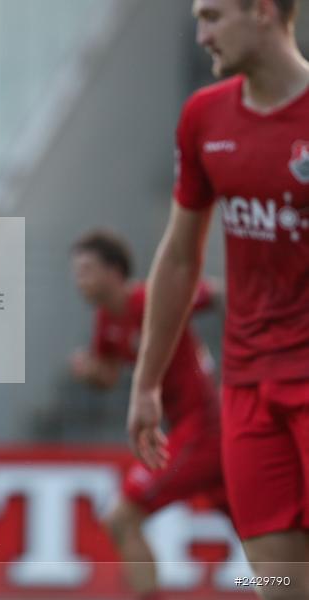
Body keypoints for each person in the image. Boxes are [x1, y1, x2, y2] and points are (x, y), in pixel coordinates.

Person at [127, 1, 309, 598]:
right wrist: (147, 382)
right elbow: (180, 257)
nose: (201, 35)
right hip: (249, 391)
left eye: (212, 17)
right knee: (281, 583)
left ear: (262, 11)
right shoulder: (205, 117)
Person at [69, 230, 226, 600]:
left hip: (204, 428)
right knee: (264, 540)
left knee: (121, 518)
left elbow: (215, 292)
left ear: (114, 271)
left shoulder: (153, 297)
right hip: (189, 430)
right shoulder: (106, 322)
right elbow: (106, 375)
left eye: (87, 270)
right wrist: (90, 371)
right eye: (76, 272)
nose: (80, 280)